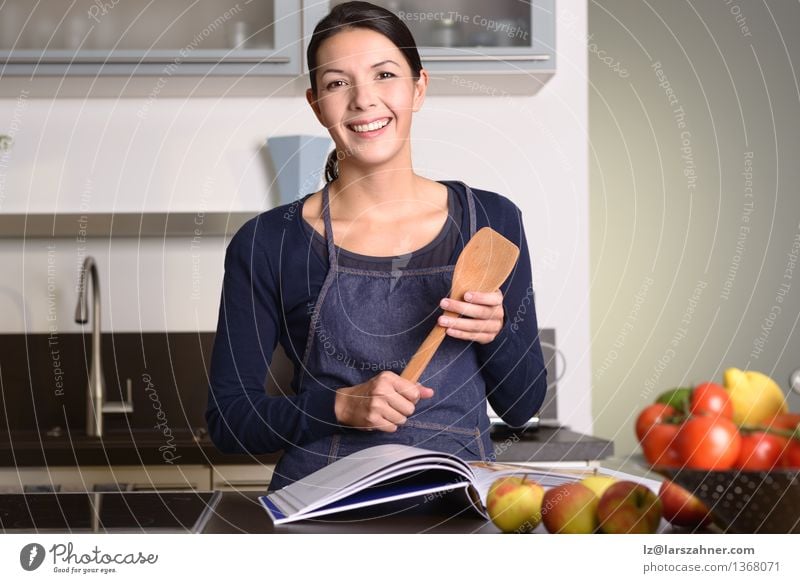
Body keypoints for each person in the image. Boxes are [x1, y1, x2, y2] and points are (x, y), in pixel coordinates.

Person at [206, 1, 548, 493]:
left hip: (455, 509)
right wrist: (338, 406)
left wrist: (495, 334)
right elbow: (229, 420)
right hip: (320, 513)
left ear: (419, 87)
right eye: (337, 83)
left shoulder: (490, 221)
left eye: (384, 74)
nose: (364, 100)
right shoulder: (268, 242)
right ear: (316, 103)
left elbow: (522, 404)